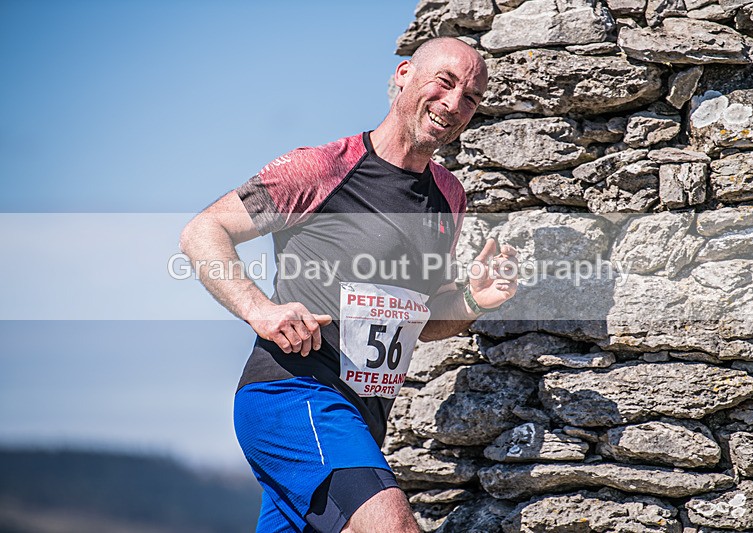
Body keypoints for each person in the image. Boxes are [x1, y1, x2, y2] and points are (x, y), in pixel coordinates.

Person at [180, 37, 517, 533]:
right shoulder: (324, 166)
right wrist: (260, 310)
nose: (453, 104)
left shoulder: (449, 196)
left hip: (361, 418)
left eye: (470, 97)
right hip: (295, 394)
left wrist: (469, 299)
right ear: (404, 75)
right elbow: (204, 231)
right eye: (444, 83)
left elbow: (416, 323)